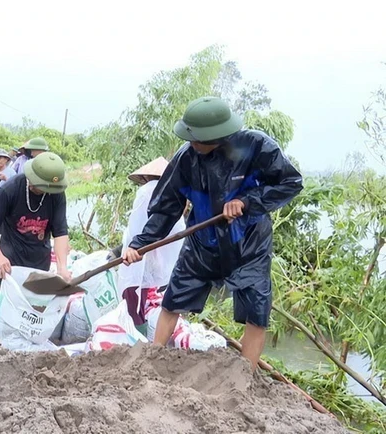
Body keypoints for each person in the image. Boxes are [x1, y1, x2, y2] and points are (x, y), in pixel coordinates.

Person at [121, 97, 303, 370]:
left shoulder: (257, 147)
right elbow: (166, 206)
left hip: (248, 243)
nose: (192, 143)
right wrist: (141, 244)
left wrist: (247, 201)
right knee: (174, 298)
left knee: (257, 309)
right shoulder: (186, 157)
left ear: (218, 135)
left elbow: (290, 182)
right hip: (203, 242)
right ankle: (151, 357)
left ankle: (246, 373)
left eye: (198, 139)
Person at [0, 152, 71, 337]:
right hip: (9, 261)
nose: (46, 191)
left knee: (32, 312)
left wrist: (62, 267)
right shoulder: (11, 189)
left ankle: (24, 351)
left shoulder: (56, 194)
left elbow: (60, 233)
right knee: (1, 307)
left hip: (39, 260)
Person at [116, 157, 185, 336]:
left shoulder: (146, 192)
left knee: (134, 300)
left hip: (140, 255)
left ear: (146, 177)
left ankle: (138, 337)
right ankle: (147, 337)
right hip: (165, 263)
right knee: (158, 300)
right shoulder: (177, 195)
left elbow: (135, 230)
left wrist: (131, 248)